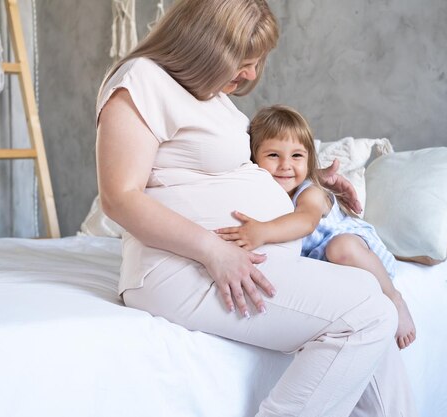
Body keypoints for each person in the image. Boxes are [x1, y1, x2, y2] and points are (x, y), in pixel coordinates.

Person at [95, 0, 417, 415]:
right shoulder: (141, 81)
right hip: (182, 267)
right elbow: (119, 197)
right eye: (242, 61)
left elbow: (251, 168)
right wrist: (214, 251)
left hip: (237, 258)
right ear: (203, 45)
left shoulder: (210, 97)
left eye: (256, 62)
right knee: (369, 312)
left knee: (375, 315)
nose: (250, 74)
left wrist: (318, 181)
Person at [216, 105, 416, 349]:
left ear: (309, 159)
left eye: (297, 156)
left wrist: (262, 231)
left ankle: (394, 298)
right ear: (254, 158)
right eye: (273, 155)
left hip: (357, 249)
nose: (285, 165)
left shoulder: (309, 191)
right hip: (325, 265)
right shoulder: (263, 192)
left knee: (340, 247)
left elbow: (306, 221)